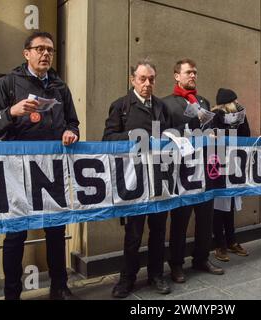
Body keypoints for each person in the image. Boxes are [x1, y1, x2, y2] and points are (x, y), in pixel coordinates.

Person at [0, 32, 80, 300]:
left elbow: (73, 121)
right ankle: (12, 294)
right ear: (27, 53)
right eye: (39, 49)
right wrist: (11, 113)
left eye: (49, 49)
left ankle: (59, 287)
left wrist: (71, 132)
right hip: (17, 173)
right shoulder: (7, 84)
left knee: (56, 229)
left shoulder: (60, 87)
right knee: (15, 236)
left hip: (52, 169)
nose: (46, 54)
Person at [102, 59, 171, 298]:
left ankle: (156, 275)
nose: (147, 83)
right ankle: (126, 279)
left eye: (151, 79)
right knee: (133, 233)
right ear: (133, 80)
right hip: (133, 181)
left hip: (158, 177)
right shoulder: (121, 106)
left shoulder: (161, 107)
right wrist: (131, 136)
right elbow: (107, 138)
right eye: (142, 79)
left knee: (159, 230)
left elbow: (169, 135)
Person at [163, 58, 224, 283]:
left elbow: (211, 128)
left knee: (205, 217)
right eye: (188, 72)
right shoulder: (166, 103)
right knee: (180, 219)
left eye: (195, 72)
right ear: (177, 76)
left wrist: (213, 134)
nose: (193, 76)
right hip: (181, 171)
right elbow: (163, 133)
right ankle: (176, 265)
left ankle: (201, 258)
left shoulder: (203, 101)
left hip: (204, 169)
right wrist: (185, 132)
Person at [210, 88, 251, 262]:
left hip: (234, 164)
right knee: (219, 207)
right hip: (219, 165)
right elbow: (213, 138)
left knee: (231, 206)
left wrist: (240, 122)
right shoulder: (214, 117)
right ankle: (219, 244)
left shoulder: (239, 115)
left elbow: (246, 135)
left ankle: (231, 240)